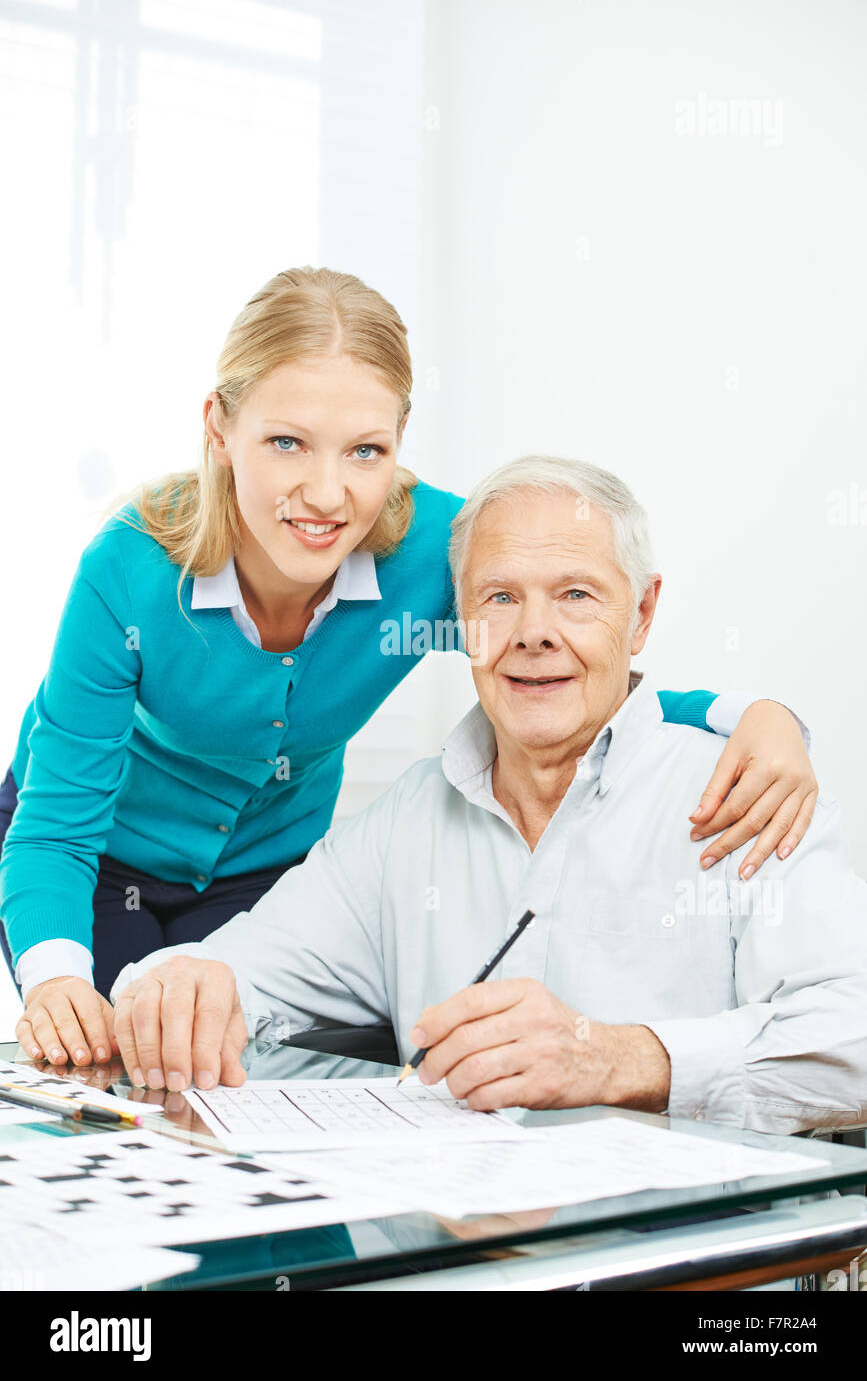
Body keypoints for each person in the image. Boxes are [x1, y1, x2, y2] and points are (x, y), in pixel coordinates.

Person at [1, 268, 816, 1072]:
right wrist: (53, 982)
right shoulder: (129, 569)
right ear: (218, 428)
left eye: (366, 451)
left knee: (229, 1069)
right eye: (286, 441)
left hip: (260, 866)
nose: (327, 495)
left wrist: (749, 713)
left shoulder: (433, 553)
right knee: (123, 1064)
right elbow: (53, 825)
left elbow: (557, 661)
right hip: (94, 856)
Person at [108, 457, 867, 1135]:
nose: (533, 633)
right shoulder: (409, 818)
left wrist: (624, 1059)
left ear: (639, 614)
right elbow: (231, 974)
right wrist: (177, 985)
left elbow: (854, 1035)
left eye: (574, 595)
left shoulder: (747, 791)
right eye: (499, 597)